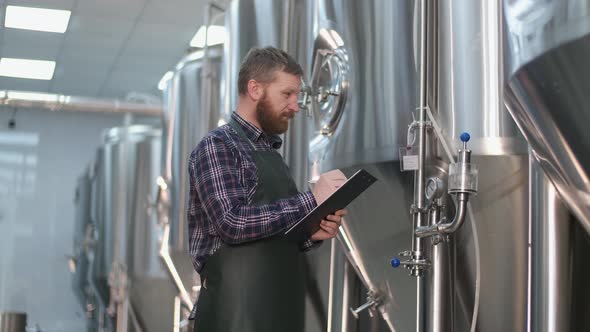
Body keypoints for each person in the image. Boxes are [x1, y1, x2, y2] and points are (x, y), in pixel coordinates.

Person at [187, 46, 347, 332]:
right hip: (232, 317)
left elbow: (273, 230)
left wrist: (310, 232)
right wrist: (310, 200)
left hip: (278, 314)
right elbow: (232, 223)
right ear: (255, 89)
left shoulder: (272, 154)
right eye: (287, 94)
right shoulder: (217, 146)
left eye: (297, 96)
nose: (296, 106)